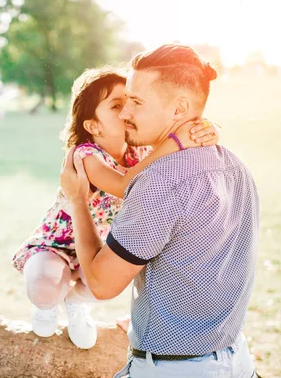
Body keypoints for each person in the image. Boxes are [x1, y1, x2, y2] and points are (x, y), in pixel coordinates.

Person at [59, 44, 259, 377]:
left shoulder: (159, 184)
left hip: (173, 369)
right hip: (236, 359)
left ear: (179, 108)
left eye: (136, 102)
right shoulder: (236, 166)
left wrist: (78, 200)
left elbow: (101, 285)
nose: (125, 114)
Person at [12, 66, 220, 349]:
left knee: (110, 281)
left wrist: (206, 130)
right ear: (93, 126)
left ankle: (76, 303)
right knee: (44, 287)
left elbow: (172, 144)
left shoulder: (139, 152)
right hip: (59, 244)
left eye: (132, 103)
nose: (126, 113)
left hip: (99, 245)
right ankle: (46, 305)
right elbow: (124, 185)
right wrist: (175, 143)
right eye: (116, 106)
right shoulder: (84, 155)